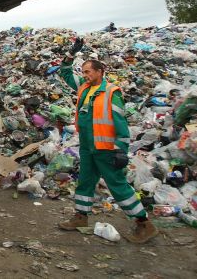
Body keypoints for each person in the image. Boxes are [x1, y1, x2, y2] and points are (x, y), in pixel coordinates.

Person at [57, 38, 159, 243]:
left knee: (117, 184)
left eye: (88, 72)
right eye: (83, 72)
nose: (84, 75)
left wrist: (121, 148)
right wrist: (70, 55)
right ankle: (80, 217)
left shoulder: (111, 92)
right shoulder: (84, 88)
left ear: (99, 72)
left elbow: (120, 122)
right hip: (87, 146)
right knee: (85, 181)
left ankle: (144, 223)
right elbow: (65, 72)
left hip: (105, 148)